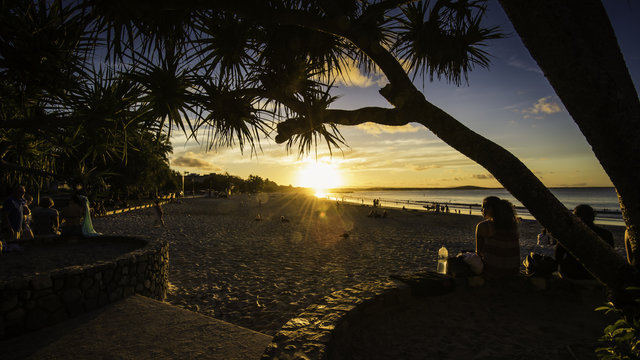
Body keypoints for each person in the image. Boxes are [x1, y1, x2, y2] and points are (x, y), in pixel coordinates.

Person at [555, 204, 614, 280]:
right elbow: (611, 256)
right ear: (593, 217)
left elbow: (558, 256)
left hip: (572, 274)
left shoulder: (569, 233)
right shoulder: (606, 234)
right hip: (598, 276)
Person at [475, 196, 521, 278]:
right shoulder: (512, 225)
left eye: (483, 208)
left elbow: (478, 252)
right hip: (513, 271)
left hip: (493, 272)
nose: (481, 211)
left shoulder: (484, 226)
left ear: (490, 209)